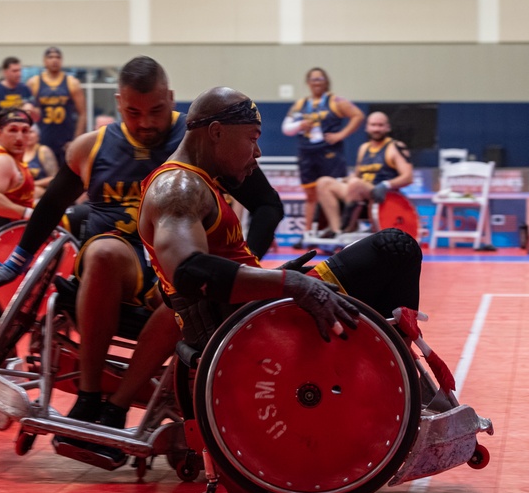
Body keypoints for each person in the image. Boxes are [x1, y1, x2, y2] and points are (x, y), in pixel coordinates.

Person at [0, 57, 283, 466]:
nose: (145, 123)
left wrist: (238, 272)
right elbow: (50, 206)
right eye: (133, 113)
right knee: (106, 252)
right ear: (120, 104)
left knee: (180, 291)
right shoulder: (92, 145)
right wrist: (16, 261)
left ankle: (116, 408)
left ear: (171, 100)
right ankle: (87, 399)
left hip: (174, 271)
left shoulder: (201, 139)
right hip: (118, 261)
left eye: (156, 111)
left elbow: (267, 205)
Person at [138, 86, 423, 359]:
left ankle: (387, 368)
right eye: (253, 138)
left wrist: (269, 278)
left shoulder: (196, 181)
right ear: (216, 132)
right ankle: (395, 372)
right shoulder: (179, 187)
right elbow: (190, 273)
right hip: (246, 325)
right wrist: (289, 283)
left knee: (379, 274)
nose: (258, 152)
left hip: (247, 312)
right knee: (396, 248)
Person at [281, 67, 364, 247]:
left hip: (329, 152)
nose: (316, 82)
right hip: (307, 153)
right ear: (308, 82)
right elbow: (286, 128)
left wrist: (341, 134)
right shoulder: (301, 104)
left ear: (326, 81)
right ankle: (308, 233)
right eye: (313, 79)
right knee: (311, 196)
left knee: (335, 191)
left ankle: (340, 229)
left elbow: (357, 115)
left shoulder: (335, 101)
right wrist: (300, 124)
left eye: (320, 79)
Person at [314, 111, 413, 237]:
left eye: (380, 125)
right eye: (373, 125)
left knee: (355, 184)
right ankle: (336, 230)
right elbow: (357, 175)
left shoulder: (395, 147)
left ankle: (347, 229)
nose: (376, 129)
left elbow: (408, 177)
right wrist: (343, 180)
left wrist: (386, 184)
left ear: (388, 127)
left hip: (382, 194)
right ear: (367, 127)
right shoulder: (364, 148)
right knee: (324, 182)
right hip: (359, 190)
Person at [0, 107, 36, 242]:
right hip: (3, 242)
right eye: (13, 130)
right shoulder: (1, 160)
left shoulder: (13, 160)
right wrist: (27, 213)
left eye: (25, 131)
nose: (19, 137)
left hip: (15, 237)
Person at [26, 47, 86, 160]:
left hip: (66, 140)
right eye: (50, 57)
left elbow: (82, 113)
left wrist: (76, 141)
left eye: (58, 57)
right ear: (44, 61)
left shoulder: (72, 83)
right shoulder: (34, 82)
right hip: (42, 139)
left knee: (66, 176)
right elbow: (27, 112)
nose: (54, 60)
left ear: (62, 61)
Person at [23, 124, 59, 200]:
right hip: (22, 190)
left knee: (34, 191)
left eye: (31, 132)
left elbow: (55, 178)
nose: (29, 135)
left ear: (38, 135)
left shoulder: (43, 151)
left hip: (42, 191)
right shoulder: (18, 152)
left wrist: (33, 184)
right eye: (26, 132)